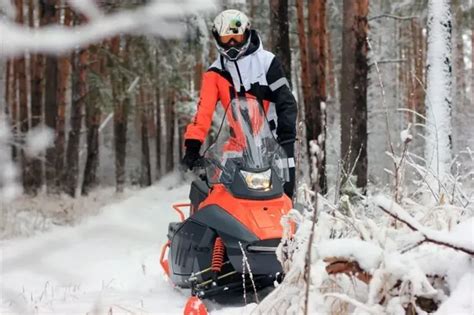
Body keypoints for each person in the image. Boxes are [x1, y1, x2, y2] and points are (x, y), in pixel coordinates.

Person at [181, 9, 297, 198]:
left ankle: (291, 225)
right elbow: (203, 112)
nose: (233, 44)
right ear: (217, 39)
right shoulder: (215, 73)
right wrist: (193, 146)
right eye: (227, 39)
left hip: (274, 141)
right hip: (237, 145)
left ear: (247, 34)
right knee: (219, 194)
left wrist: (287, 138)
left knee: (283, 196)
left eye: (237, 37)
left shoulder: (267, 62)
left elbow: (286, 101)